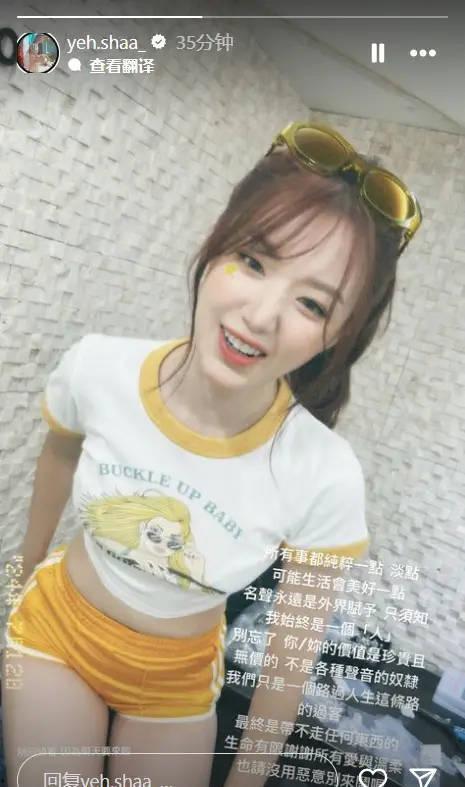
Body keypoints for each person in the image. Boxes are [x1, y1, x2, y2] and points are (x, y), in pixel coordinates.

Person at [1, 122, 422, 787]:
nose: (260, 314)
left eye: (312, 303)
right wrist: (15, 582)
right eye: (253, 261)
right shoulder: (98, 368)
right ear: (217, 242)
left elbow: (286, 669)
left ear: (341, 336)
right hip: (55, 631)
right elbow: (57, 458)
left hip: (176, 679)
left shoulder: (325, 474)